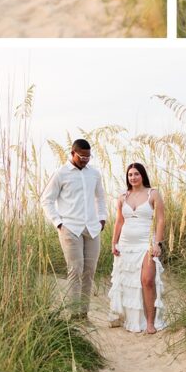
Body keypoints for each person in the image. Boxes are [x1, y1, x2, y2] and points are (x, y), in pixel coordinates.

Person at [40, 139, 107, 319]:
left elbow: (100, 197)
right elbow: (46, 200)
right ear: (72, 153)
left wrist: (102, 218)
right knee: (75, 270)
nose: (85, 160)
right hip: (70, 228)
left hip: (92, 228)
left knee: (89, 270)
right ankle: (73, 314)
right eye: (82, 156)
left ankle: (84, 314)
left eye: (88, 156)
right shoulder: (60, 173)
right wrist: (58, 223)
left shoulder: (94, 173)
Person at [108, 163, 167, 333]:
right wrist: (114, 243)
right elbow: (119, 221)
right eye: (130, 175)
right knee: (129, 283)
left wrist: (157, 243)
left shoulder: (153, 193)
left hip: (146, 243)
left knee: (147, 280)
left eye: (136, 174)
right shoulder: (122, 197)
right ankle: (132, 320)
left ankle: (150, 322)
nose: (133, 177)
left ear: (142, 175)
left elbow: (161, 220)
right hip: (125, 245)